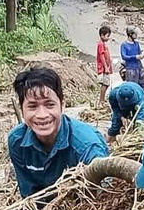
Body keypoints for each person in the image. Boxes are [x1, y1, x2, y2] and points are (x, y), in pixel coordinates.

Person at [8, 67, 108, 198]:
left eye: (50, 105)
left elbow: (102, 199)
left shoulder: (87, 146)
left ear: (63, 105)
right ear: (21, 110)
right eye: (32, 106)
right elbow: (29, 197)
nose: (42, 115)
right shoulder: (17, 141)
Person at [120, 26, 144, 91]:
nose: (136, 35)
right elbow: (124, 56)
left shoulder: (136, 44)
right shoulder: (124, 45)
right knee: (132, 87)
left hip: (139, 67)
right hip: (130, 69)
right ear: (130, 34)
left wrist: (142, 54)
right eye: (135, 34)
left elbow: (139, 52)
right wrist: (135, 57)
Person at [96, 24, 113, 106]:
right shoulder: (101, 44)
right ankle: (101, 100)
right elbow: (102, 56)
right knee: (105, 83)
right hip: (103, 68)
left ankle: (102, 99)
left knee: (106, 83)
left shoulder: (103, 44)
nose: (108, 38)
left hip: (106, 67)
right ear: (102, 35)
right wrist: (105, 67)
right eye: (107, 36)